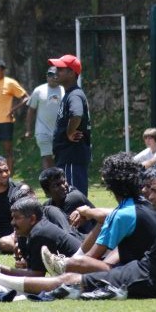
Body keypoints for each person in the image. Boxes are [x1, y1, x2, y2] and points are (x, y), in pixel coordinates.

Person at [0, 171, 156, 302]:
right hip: (142, 271)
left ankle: (0, 281)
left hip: (143, 277)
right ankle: (2, 279)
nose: (150, 195)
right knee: (73, 278)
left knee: (71, 280)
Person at [41, 152, 156, 277]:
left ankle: (65, 265)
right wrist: (88, 212)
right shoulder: (144, 205)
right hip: (147, 268)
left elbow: (91, 256)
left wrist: (72, 264)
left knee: (78, 272)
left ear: (109, 185)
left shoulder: (121, 215)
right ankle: (68, 265)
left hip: (139, 273)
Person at [0, 196, 83, 280]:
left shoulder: (39, 233)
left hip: (86, 274)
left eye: (16, 218)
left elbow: (36, 275)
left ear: (32, 219)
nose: (12, 222)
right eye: (12, 218)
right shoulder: (37, 229)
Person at [49, 54, 91, 197]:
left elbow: (77, 114)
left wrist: (69, 132)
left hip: (72, 155)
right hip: (67, 156)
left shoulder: (74, 95)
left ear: (72, 73)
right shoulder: (69, 94)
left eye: (61, 69)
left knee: (74, 198)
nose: (56, 72)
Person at [0, 58, 28, 172]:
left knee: (8, 151)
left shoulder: (10, 83)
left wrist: (13, 109)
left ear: (3, 70)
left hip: (5, 122)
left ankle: (8, 179)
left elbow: (26, 97)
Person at [24, 68, 64, 168]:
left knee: (61, 156)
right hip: (42, 130)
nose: (52, 77)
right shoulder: (38, 90)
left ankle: (59, 179)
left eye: (55, 75)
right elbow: (31, 110)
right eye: (50, 75)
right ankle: (49, 181)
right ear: (46, 76)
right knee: (47, 156)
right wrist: (28, 130)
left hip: (61, 131)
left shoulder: (64, 90)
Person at [39, 166, 95, 236]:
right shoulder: (47, 205)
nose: (63, 186)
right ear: (47, 191)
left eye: (64, 182)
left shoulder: (73, 198)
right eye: (57, 185)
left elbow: (63, 232)